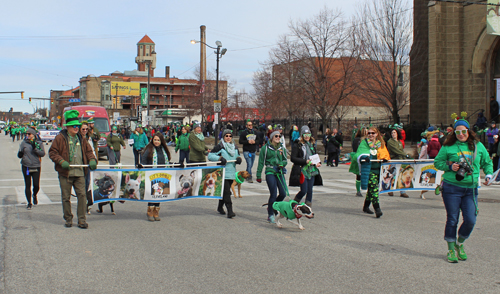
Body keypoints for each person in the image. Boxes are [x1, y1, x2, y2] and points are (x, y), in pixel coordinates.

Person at [434, 117, 493, 263]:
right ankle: (450, 249)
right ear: (454, 133)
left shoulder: (478, 146)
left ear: (468, 131)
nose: (461, 134)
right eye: (458, 131)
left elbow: (487, 162)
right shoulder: (448, 146)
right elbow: (437, 162)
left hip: (471, 189)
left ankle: (459, 244)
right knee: (452, 219)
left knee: (471, 220)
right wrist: (450, 167)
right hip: (451, 188)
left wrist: (489, 174)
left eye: (463, 131)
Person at [49, 110, 97, 229]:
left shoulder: (82, 139)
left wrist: (92, 160)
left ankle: (82, 220)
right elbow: (52, 152)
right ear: (68, 127)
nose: (77, 128)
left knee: (82, 196)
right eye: (74, 126)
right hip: (66, 173)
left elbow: (89, 152)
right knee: (66, 197)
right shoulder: (60, 138)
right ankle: (68, 218)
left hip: (80, 172)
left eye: (78, 126)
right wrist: (61, 161)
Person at [349, 126, 390, 218]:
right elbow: (358, 154)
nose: (371, 135)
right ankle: (377, 209)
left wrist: (384, 159)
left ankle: (366, 207)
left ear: (377, 134)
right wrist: (364, 157)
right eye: (369, 133)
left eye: (373, 133)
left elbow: (385, 154)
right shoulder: (364, 143)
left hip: (378, 170)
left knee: (371, 189)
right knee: (374, 188)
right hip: (369, 170)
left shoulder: (381, 143)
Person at [208, 129, 243, 218]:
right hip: (222, 173)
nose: (228, 137)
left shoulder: (234, 147)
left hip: (231, 173)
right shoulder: (220, 146)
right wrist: (219, 159)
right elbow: (210, 156)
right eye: (226, 136)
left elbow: (237, 156)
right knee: (227, 192)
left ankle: (220, 207)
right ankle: (230, 211)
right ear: (223, 137)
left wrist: (239, 159)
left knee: (225, 192)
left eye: (230, 136)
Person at [256, 130, 288, 223]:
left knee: (283, 193)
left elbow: (285, 160)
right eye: (276, 136)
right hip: (270, 171)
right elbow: (261, 162)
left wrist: (282, 164)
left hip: (280, 171)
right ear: (271, 138)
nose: (278, 138)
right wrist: (258, 175)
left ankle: (272, 205)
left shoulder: (282, 148)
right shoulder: (265, 148)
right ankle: (270, 214)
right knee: (273, 193)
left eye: (279, 136)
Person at [140, 133, 171, 221]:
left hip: (162, 175)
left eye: (158, 140)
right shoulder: (149, 149)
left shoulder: (164, 150)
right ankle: (150, 211)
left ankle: (156, 211)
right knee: (152, 193)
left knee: (159, 193)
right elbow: (144, 160)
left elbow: (167, 160)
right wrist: (143, 168)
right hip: (152, 174)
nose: (156, 142)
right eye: (155, 140)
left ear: (161, 141)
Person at [290, 126, 322, 207]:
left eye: (308, 134)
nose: (307, 136)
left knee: (310, 190)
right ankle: (294, 203)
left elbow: (314, 156)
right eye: (305, 134)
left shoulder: (312, 144)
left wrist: (318, 162)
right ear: (302, 135)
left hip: (311, 170)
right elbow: (293, 158)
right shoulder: (298, 144)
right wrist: (305, 161)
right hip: (302, 170)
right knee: (304, 190)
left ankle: (308, 207)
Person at [18, 128, 45, 210]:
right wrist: (20, 153)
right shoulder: (24, 143)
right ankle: (29, 202)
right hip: (26, 165)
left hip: (36, 165)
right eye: (26, 134)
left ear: (33, 135)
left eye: (29, 134)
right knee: (27, 184)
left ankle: (34, 195)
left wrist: (35, 149)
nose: (27, 135)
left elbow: (43, 153)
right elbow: (19, 154)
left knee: (36, 185)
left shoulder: (39, 143)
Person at [386, 128, 410, 198]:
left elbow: (401, 150)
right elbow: (396, 151)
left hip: (400, 160)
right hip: (394, 160)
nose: (393, 134)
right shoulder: (390, 142)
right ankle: (390, 189)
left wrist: (405, 159)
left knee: (402, 175)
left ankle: (402, 191)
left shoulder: (399, 142)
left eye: (394, 132)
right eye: (392, 133)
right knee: (393, 175)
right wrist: (405, 155)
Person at [79, 122, 94, 213]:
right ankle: (83, 204)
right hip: (81, 164)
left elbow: (91, 151)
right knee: (82, 185)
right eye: (83, 129)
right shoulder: (79, 139)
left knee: (88, 183)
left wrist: (94, 160)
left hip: (88, 164)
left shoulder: (89, 138)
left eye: (86, 129)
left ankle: (85, 203)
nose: (84, 131)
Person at [352, 127, 367, 197]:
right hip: (359, 157)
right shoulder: (358, 140)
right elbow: (355, 148)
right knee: (359, 174)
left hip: (366, 158)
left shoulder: (369, 140)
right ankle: (358, 190)